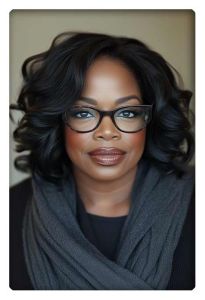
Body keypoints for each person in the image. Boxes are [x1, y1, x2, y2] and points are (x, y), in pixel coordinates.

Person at [10, 31, 195, 290]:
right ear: (57, 122)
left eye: (128, 112)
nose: (107, 131)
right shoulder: (9, 211)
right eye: (84, 112)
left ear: (150, 121)